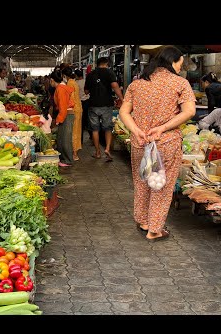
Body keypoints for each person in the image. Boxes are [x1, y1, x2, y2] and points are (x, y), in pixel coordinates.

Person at [119, 45, 196, 241]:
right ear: (172, 62)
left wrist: (135, 130)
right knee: (161, 185)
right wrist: (162, 128)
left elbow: (123, 112)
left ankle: (143, 220)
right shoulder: (180, 83)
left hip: (140, 142)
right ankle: (154, 229)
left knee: (142, 181)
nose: (181, 67)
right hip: (166, 142)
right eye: (180, 63)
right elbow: (189, 112)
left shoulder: (137, 84)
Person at [84, 57, 124, 162]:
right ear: (106, 63)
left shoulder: (90, 74)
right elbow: (115, 86)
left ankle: (97, 152)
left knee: (95, 129)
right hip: (106, 105)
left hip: (93, 105)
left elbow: (86, 91)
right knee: (107, 128)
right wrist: (122, 99)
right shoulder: (109, 72)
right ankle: (107, 149)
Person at [50, 69, 75, 167]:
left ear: (52, 80)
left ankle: (68, 160)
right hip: (66, 114)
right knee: (62, 138)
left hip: (66, 114)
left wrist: (58, 120)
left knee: (65, 139)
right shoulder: (62, 87)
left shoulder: (60, 89)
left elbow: (63, 107)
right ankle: (64, 158)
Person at [63, 67, 83, 161]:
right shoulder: (74, 82)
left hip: (74, 110)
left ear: (64, 75)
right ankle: (75, 152)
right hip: (78, 108)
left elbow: (70, 98)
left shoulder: (70, 83)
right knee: (77, 130)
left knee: (73, 131)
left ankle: (74, 153)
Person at [75, 68, 91, 143]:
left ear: (76, 75)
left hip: (79, 102)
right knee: (87, 120)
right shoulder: (86, 82)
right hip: (87, 102)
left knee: (80, 121)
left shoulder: (75, 83)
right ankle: (92, 136)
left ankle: (80, 140)